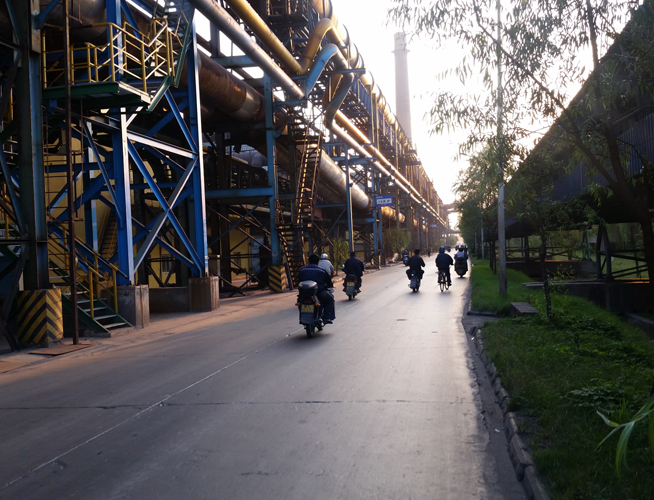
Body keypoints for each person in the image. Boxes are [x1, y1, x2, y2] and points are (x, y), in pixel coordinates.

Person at [298, 253, 335, 323]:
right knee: (330, 299)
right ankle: (326, 318)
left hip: (304, 293)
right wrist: (330, 285)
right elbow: (328, 282)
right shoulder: (322, 270)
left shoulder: (302, 269)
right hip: (319, 292)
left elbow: (299, 280)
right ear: (318, 262)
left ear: (308, 261)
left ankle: (302, 316)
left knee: (299, 302)